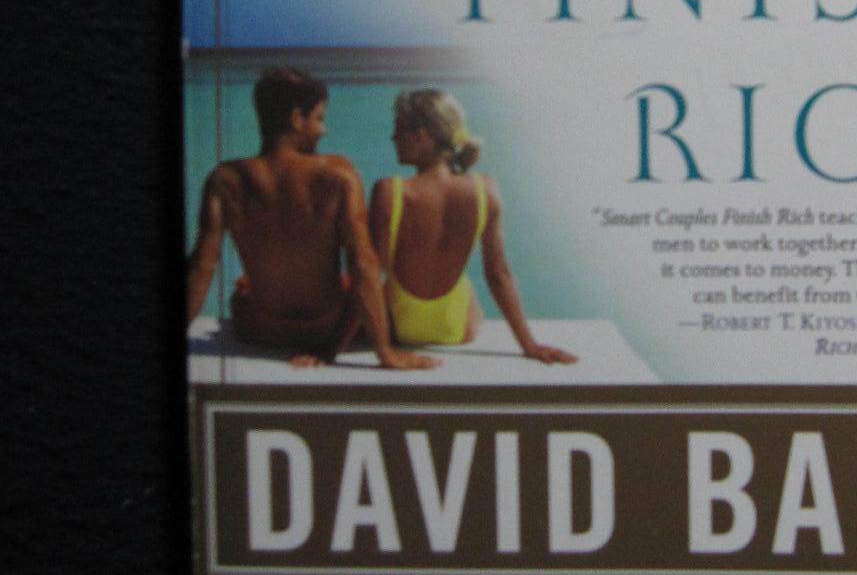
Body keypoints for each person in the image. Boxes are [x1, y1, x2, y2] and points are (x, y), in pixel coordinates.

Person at [186, 68, 439, 371]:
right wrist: (385, 352)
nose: (324, 130)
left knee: (242, 292)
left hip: (262, 330)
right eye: (319, 119)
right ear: (296, 119)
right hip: (324, 330)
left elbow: (202, 267)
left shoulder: (224, 180)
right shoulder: (338, 175)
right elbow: (364, 266)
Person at [371, 89, 576, 364]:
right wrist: (530, 345)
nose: (393, 138)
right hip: (458, 327)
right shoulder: (485, 190)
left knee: (354, 279)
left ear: (421, 136)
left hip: (399, 329)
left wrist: (332, 350)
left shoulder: (391, 192)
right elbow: (498, 275)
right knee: (467, 288)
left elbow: (369, 277)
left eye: (399, 131)